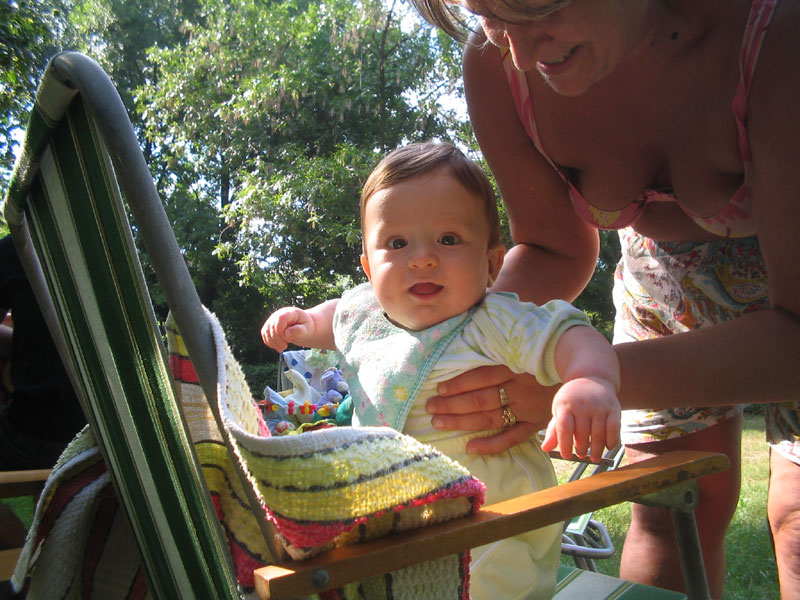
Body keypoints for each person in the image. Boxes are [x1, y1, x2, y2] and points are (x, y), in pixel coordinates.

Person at [401, 1, 800, 598]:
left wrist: (583, 380)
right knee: (671, 512)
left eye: (536, 7)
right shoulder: (499, 65)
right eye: (489, 15)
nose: (519, 53)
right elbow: (553, 248)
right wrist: (452, 342)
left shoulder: (779, 35)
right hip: (663, 281)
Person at [262, 141, 621, 600]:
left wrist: (589, 380)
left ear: (491, 264)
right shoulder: (364, 316)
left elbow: (570, 332)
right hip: (392, 520)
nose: (422, 258)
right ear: (369, 269)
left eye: (448, 240)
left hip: (493, 523)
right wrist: (305, 321)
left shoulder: (494, 322)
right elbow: (336, 316)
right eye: (397, 243)